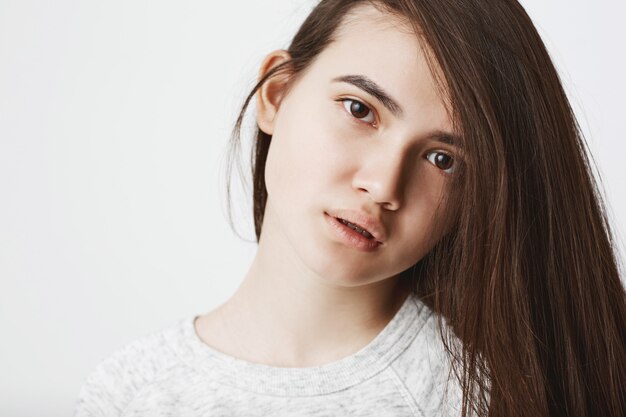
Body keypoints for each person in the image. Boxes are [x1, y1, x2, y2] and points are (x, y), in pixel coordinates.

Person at [73, 1, 626, 416]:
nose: (384, 185)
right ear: (277, 94)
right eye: (360, 109)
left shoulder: (478, 398)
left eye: (443, 159)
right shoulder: (127, 394)